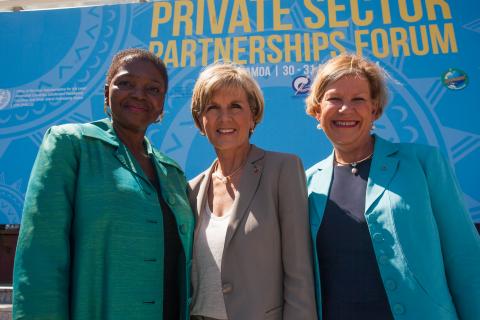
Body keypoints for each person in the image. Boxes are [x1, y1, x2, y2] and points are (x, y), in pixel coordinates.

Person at [13, 48, 194, 320]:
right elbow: (41, 259)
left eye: (153, 89)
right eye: (126, 83)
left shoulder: (173, 173)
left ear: (162, 105)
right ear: (107, 91)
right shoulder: (71, 145)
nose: (139, 94)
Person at [305, 53, 480, 320]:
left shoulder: (423, 163)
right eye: (334, 99)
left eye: (358, 100)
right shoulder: (305, 183)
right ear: (317, 110)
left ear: (375, 110)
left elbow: (465, 260)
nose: (345, 109)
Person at [188, 62, 317, 320]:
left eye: (235, 106)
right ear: (201, 120)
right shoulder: (192, 189)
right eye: (213, 107)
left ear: (253, 115)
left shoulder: (282, 170)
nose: (224, 117)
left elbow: (299, 274)